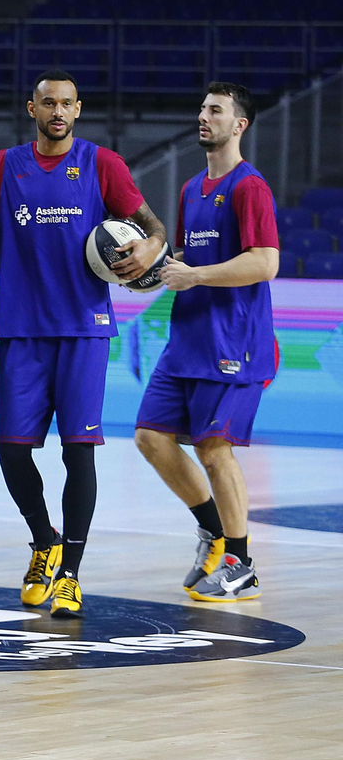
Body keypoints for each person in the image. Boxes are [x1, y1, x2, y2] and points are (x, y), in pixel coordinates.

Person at [0, 69, 166, 618]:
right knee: (12, 451)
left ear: (77, 110)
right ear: (32, 108)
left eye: (66, 104)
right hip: (22, 329)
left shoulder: (103, 164)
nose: (57, 112)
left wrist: (152, 250)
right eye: (48, 103)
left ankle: (70, 573)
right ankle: (43, 539)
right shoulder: (4, 167)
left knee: (79, 453)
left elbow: (152, 226)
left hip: (84, 330)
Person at [134, 82, 277, 602]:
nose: (203, 116)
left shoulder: (249, 187)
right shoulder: (191, 187)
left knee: (216, 449)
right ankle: (213, 530)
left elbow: (266, 262)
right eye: (201, 108)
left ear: (239, 124)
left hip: (235, 343)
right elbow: (185, 265)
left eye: (215, 110)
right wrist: (150, 273)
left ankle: (241, 563)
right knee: (151, 438)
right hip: (186, 339)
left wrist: (196, 277)